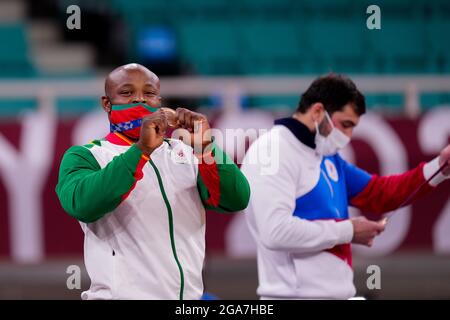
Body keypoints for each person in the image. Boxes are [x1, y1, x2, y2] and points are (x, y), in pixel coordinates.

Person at [241, 73, 450, 300]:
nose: (349, 136)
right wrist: (349, 231)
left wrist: (439, 167)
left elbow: (381, 194)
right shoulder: (271, 151)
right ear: (318, 112)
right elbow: (275, 232)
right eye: (345, 124)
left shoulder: (325, 155)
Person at [55, 63, 250, 300]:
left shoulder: (187, 152)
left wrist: (205, 147)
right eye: (127, 93)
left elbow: (237, 198)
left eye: (149, 94)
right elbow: (83, 205)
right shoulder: (87, 155)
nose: (139, 101)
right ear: (107, 103)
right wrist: (141, 150)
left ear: (160, 101)